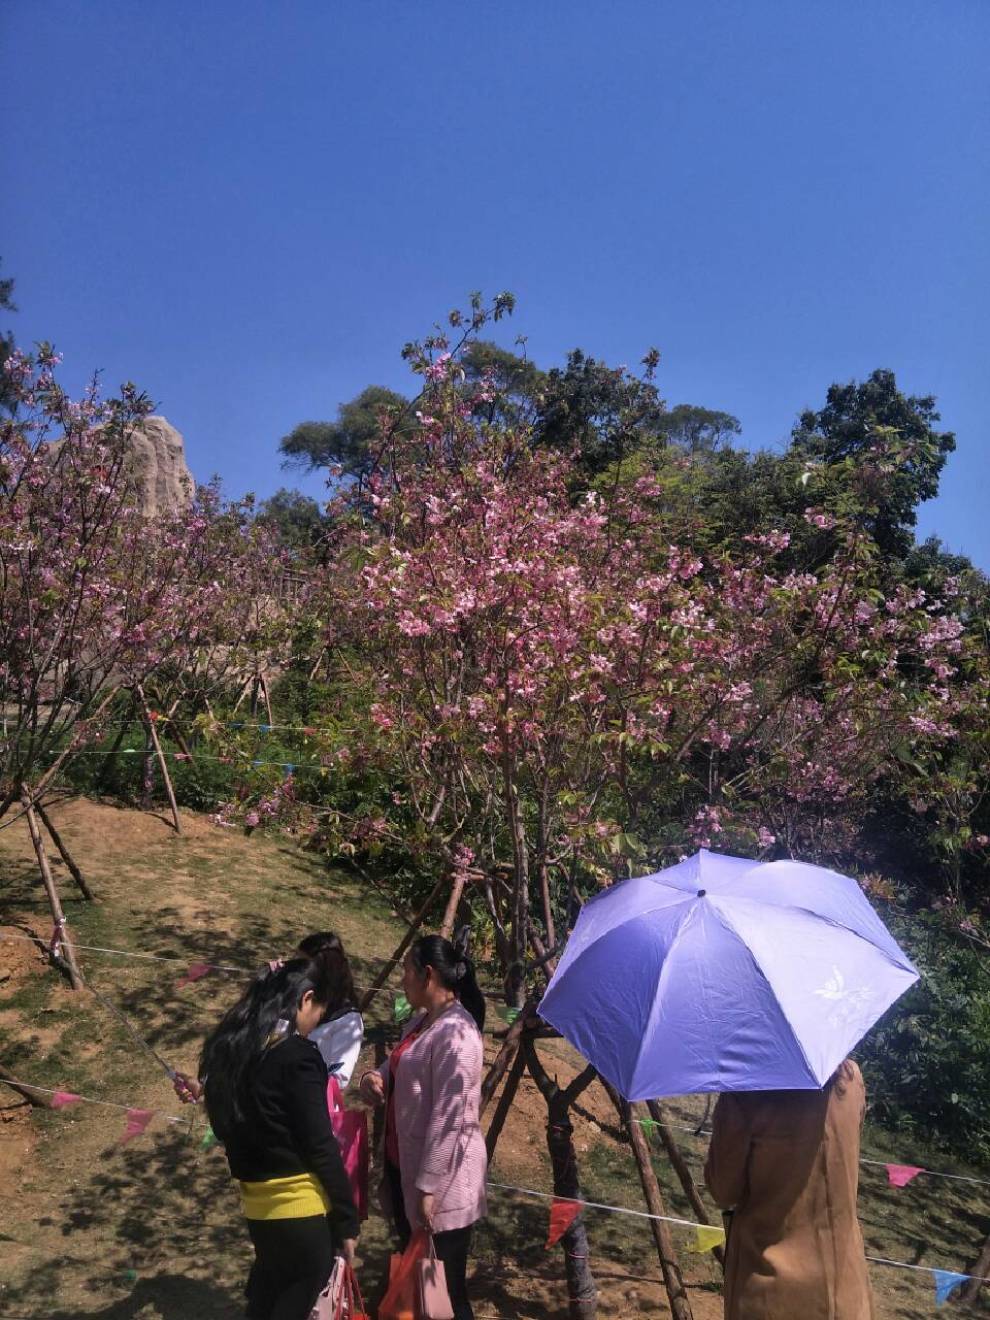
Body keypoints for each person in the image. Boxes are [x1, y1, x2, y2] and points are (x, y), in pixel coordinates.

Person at [200, 956, 360, 1320]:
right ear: (306, 999)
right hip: (302, 1214)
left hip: (258, 1211)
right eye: (318, 1010)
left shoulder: (237, 1053)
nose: (317, 1021)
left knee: (264, 1304)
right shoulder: (297, 1057)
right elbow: (320, 1145)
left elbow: (225, 1129)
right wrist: (347, 1221)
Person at [359, 935, 487, 1320]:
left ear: (427, 974)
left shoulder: (458, 1036)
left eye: (406, 972)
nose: (401, 981)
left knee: (446, 1293)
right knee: (421, 1281)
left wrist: (428, 1188)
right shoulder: (422, 1021)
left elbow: (452, 1118)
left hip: (441, 1184)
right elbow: (401, 1064)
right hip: (407, 1171)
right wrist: (375, 1077)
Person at [703, 1059, 875, 1320]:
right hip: (847, 1289)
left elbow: (724, 1191)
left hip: (770, 1292)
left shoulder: (749, 1092)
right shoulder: (850, 1078)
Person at [174, 930, 363, 1102]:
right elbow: (250, 1049)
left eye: (300, 963)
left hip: (298, 1120)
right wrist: (207, 1086)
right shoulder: (286, 1005)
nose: (292, 969)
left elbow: (336, 1083)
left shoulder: (347, 1022)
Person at [297, 931, 365, 1088]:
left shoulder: (348, 1021)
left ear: (322, 971)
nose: (296, 971)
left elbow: (338, 1079)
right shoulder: (297, 999)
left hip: (308, 1104)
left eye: (302, 965)